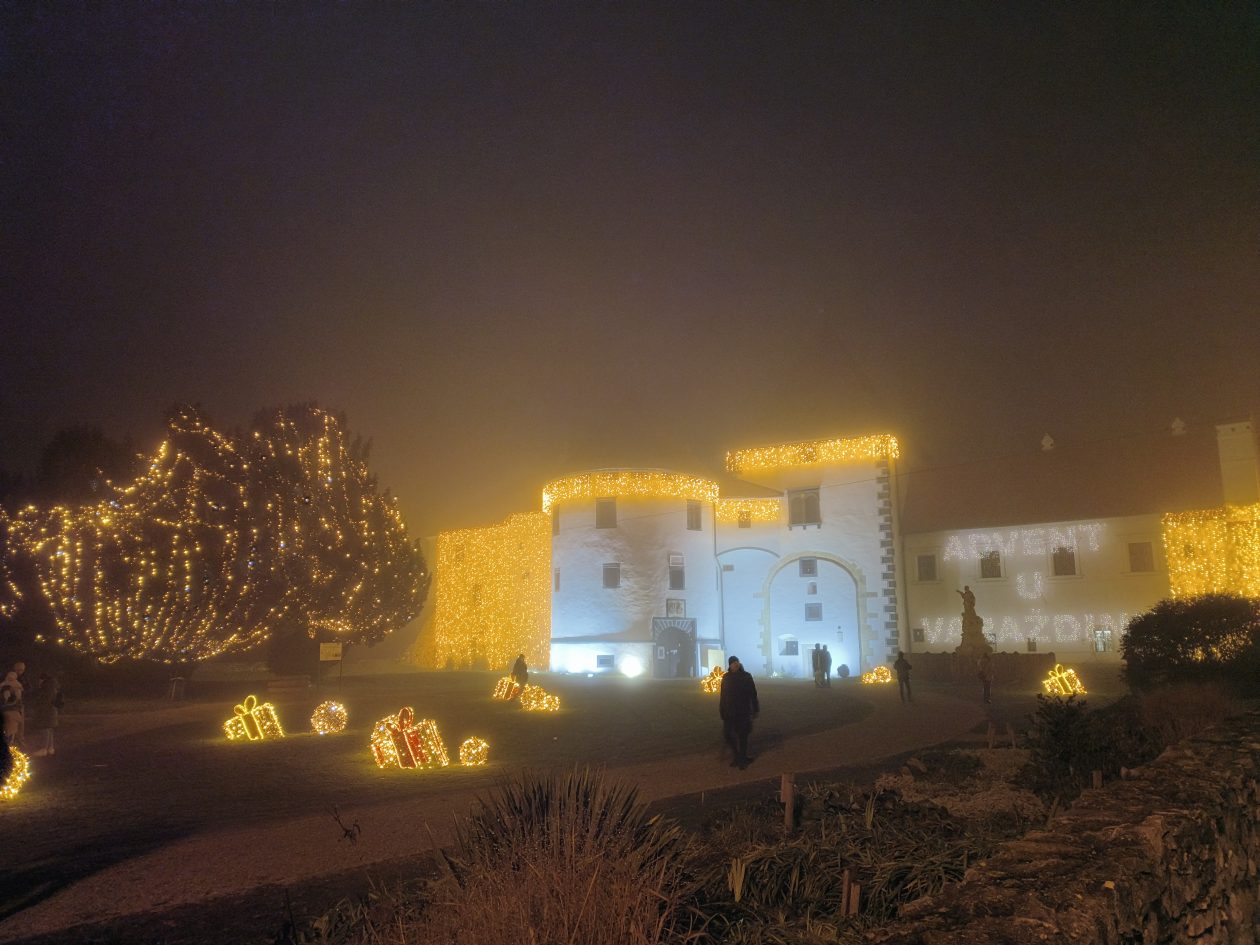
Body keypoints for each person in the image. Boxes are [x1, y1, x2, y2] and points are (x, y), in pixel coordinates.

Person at [719, 655, 759, 770]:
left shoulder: (746, 676)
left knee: (743, 735)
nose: (735, 664)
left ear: (739, 663)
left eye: (736, 662)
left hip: (743, 710)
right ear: (730, 665)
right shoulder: (726, 677)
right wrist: (722, 709)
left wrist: (755, 708)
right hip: (729, 711)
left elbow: (753, 693)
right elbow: (723, 695)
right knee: (727, 734)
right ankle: (738, 756)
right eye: (733, 663)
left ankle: (742, 759)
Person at [27, 673, 60, 756]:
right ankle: (50, 748)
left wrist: (37, 707)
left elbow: (43, 701)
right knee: (50, 729)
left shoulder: (46, 689)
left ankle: (43, 749)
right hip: (52, 711)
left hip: (45, 712)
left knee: (45, 729)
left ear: (43, 679)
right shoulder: (53, 688)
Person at [0, 669, 22, 747]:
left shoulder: (4, 686)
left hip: (8, 711)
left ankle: (9, 743)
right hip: (13, 711)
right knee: (11, 731)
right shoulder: (17, 686)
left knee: (9, 730)